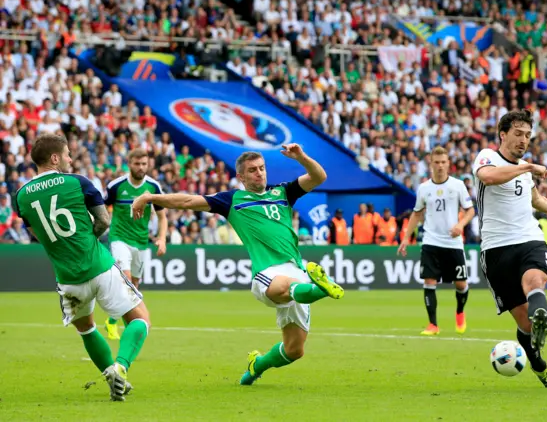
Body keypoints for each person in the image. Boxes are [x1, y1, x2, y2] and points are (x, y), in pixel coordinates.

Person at [131, 144, 344, 385]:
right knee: (285, 288)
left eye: (262, 168)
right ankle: (321, 288)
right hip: (267, 272)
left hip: (296, 268)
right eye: (253, 170)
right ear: (241, 177)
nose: (260, 173)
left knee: (295, 350)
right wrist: (150, 197)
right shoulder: (232, 200)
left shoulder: (283, 193)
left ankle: (257, 365)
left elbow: (319, 177)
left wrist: (301, 157)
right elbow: (188, 200)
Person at [13, 134, 151, 401]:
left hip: (67, 277)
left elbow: (37, 235)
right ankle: (121, 366)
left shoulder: (21, 197)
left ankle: (111, 375)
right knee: (140, 319)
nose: (69, 159)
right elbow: (103, 221)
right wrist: (88, 238)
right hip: (98, 265)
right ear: (54, 158)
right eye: (66, 155)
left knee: (87, 330)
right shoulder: (78, 182)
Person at [472, 109, 547, 388]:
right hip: (496, 249)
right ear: (503, 134)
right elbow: (489, 177)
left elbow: (536, 199)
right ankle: (539, 366)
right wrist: (528, 167)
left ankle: (542, 316)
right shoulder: (487, 157)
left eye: (527, 135)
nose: (523, 140)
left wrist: (546, 204)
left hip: (529, 238)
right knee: (524, 326)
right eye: (518, 134)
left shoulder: (525, 173)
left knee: (535, 279)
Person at [398, 146, 475, 336]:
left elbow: (470, 210)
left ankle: (459, 312)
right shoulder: (424, 188)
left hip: (453, 242)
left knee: (460, 284)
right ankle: (433, 324)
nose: (440, 166)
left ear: (448, 164)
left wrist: (460, 224)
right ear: (430, 164)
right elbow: (416, 214)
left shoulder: (457, 185)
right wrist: (406, 239)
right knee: (429, 281)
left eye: (443, 162)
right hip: (431, 241)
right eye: (436, 162)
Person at [103, 148, 167, 341]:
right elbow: (103, 209)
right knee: (127, 282)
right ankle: (131, 329)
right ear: (129, 164)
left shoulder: (153, 187)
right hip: (119, 238)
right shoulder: (116, 186)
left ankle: (111, 321)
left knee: (134, 287)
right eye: (137, 164)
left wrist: (162, 238)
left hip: (141, 242)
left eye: (144, 164)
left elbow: (162, 216)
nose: (141, 167)